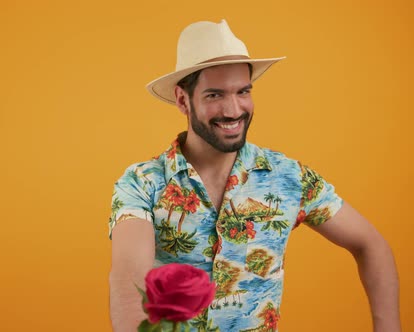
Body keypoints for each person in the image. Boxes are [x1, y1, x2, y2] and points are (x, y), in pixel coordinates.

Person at [108, 20, 400, 332]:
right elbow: (130, 283)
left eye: (243, 91)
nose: (233, 109)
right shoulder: (142, 183)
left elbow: (372, 246)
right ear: (183, 100)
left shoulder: (289, 177)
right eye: (215, 95)